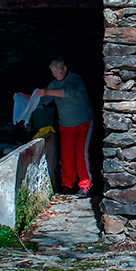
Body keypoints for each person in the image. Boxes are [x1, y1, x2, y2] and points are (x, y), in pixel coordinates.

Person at [34, 57, 94, 197]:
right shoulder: (53, 84)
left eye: (57, 71)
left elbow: (68, 91)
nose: (54, 74)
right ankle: (67, 183)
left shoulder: (75, 79)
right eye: (52, 72)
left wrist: (47, 92)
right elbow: (43, 100)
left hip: (83, 122)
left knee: (81, 154)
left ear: (64, 69)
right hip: (65, 124)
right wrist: (26, 97)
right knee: (66, 155)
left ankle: (85, 184)